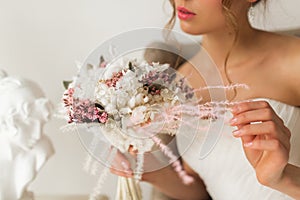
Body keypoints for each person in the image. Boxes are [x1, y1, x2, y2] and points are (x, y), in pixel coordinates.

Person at [111, 0, 300, 199]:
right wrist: (145, 167)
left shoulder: (294, 61)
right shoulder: (174, 85)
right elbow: (203, 189)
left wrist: (284, 178)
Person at [0, 71, 54, 200]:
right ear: (8, 122)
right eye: (30, 125)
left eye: (42, 124)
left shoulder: (41, 150)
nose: (38, 134)